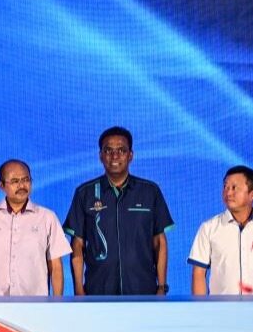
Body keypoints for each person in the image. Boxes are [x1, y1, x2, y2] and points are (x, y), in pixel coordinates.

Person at [63, 127, 173, 296]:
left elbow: (160, 242)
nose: (115, 156)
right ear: (101, 156)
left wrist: (161, 287)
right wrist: (78, 289)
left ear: (130, 155)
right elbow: (77, 245)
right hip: (98, 291)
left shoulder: (150, 191)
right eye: (108, 150)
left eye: (121, 150)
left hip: (143, 290)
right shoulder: (84, 193)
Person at [0, 159, 69, 296]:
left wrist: (57, 302)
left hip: (35, 303)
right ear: (1, 185)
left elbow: (56, 266)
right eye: (15, 181)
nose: (22, 185)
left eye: (26, 180)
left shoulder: (47, 217)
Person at [188, 165, 253, 295]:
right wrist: (200, 306)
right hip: (222, 306)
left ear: (251, 194)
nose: (228, 193)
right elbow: (198, 273)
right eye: (225, 187)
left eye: (234, 188)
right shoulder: (209, 228)